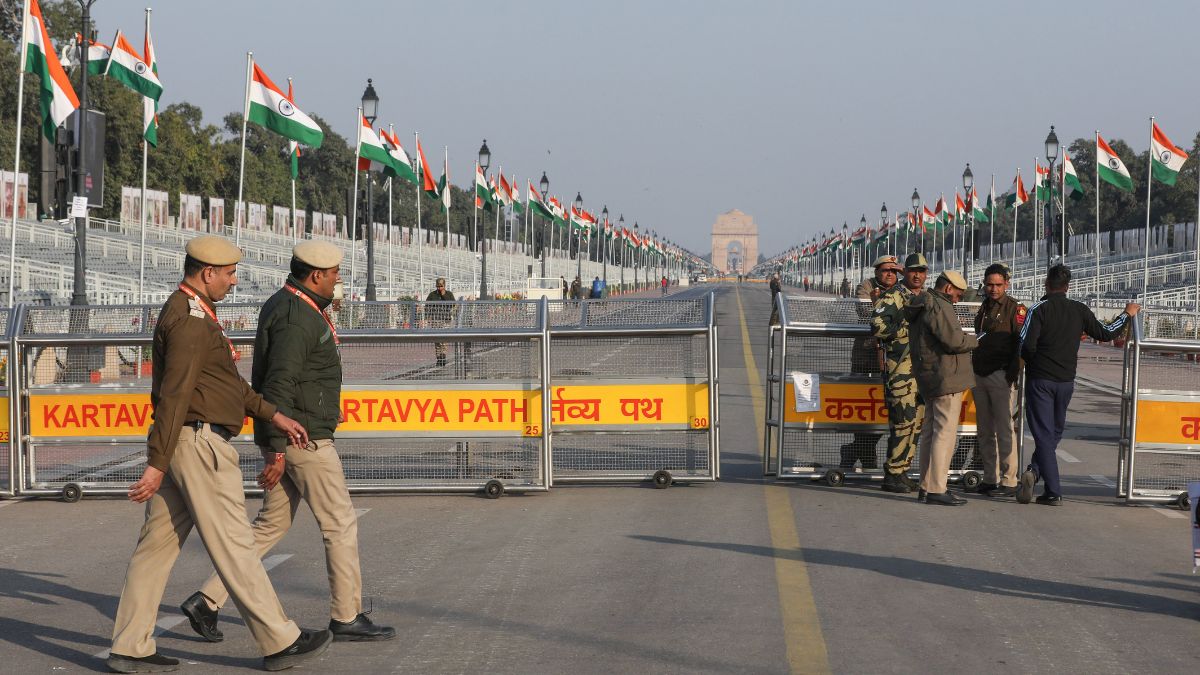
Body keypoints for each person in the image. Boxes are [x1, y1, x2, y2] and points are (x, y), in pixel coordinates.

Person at [107, 235, 329, 673]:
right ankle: (280, 639)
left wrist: (275, 415)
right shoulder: (191, 321)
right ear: (208, 273)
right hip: (198, 444)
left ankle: (130, 645)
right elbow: (174, 396)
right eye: (229, 273)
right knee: (236, 546)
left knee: (155, 551)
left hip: (185, 443)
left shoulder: (192, 311)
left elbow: (227, 386)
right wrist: (155, 464)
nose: (234, 280)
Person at [181, 241, 394, 648]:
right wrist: (277, 448)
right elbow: (279, 383)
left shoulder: (290, 304)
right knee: (339, 522)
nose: (338, 282)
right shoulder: (297, 317)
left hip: (293, 432)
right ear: (317, 275)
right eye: (335, 275)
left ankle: (207, 600)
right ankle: (346, 615)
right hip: (302, 439)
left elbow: (297, 377)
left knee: (271, 524)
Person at [1017, 264, 1139, 506]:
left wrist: (1034, 363)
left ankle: (1052, 490)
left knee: (1043, 434)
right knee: (1054, 432)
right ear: (1067, 287)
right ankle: (1035, 471)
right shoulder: (1079, 309)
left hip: (1041, 380)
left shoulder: (1038, 310)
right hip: (1066, 381)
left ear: (1046, 284)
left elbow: (1025, 344)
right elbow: (1106, 333)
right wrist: (1127, 314)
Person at [907, 270, 978, 506]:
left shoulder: (922, 303)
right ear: (948, 288)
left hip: (929, 375)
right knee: (944, 434)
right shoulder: (940, 305)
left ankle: (926, 486)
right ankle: (937, 488)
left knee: (930, 433)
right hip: (945, 376)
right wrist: (975, 340)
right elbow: (954, 341)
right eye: (958, 295)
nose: (957, 300)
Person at [839, 255, 902, 470]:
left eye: (894, 271)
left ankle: (856, 450)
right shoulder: (866, 286)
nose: (890, 274)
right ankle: (865, 453)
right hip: (866, 356)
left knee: (887, 409)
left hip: (893, 356)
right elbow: (865, 311)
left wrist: (881, 304)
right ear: (877, 272)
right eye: (885, 270)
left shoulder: (902, 288)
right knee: (864, 409)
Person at [871, 253, 927, 493]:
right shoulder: (893, 296)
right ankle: (892, 473)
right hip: (900, 369)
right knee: (902, 422)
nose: (917, 275)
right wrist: (906, 330)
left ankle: (902, 469)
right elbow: (877, 326)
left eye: (921, 271)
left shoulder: (925, 297)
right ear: (906, 273)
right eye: (913, 271)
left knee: (916, 424)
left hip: (921, 370)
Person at [971, 263, 1025, 497]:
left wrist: (1012, 374)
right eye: (989, 284)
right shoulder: (984, 307)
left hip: (1001, 374)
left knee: (1004, 429)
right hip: (980, 373)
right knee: (984, 430)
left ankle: (1009, 479)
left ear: (1007, 284)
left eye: (998, 285)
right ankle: (989, 477)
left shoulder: (1015, 309)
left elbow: (1022, 344)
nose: (993, 289)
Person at [425, 277, 455, 367]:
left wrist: (444, 295)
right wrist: (428, 318)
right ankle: (439, 358)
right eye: (438, 286)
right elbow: (427, 306)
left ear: (444, 285)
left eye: (441, 286)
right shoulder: (432, 294)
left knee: (444, 340)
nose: (439, 288)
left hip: (445, 320)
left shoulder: (449, 294)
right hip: (435, 319)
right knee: (437, 340)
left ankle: (443, 357)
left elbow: (452, 304)